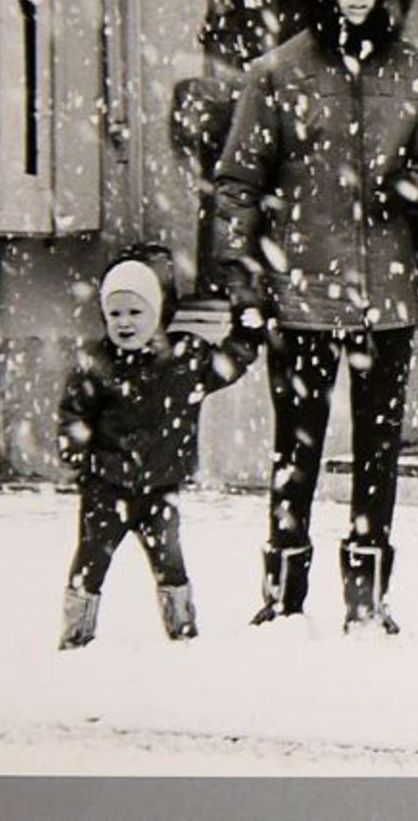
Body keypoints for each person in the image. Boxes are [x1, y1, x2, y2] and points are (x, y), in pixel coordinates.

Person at [212, 0, 418, 634]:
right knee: (297, 445)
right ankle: (284, 592)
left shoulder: (414, 72)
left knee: (381, 448)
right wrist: (246, 282)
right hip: (300, 294)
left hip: (387, 297)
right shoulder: (276, 74)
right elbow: (237, 186)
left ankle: (366, 593)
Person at [55, 246, 260, 649]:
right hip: (106, 485)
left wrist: (248, 328)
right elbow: (74, 412)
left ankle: (182, 630)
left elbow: (229, 363)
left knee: (170, 560)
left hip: (160, 486)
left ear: (158, 313)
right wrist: (76, 454)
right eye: (115, 314)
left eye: (136, 312)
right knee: (91, 560)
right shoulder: (97, 364)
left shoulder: (184, 360)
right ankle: (76, 633)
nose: (125, 323)